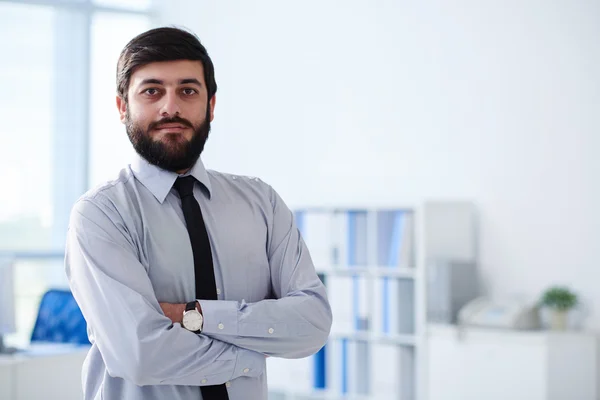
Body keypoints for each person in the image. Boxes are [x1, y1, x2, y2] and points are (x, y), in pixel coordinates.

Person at [65, 26, 332, 400]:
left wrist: (193, 314)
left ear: (211, 105)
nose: (170, 107)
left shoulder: (262, 203)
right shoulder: (100, 215)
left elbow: (313, 323)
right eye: (152, 91)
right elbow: (141, 355)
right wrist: (251, 355)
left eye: (187, 91)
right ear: (123, 106)